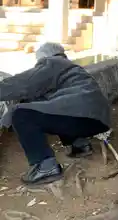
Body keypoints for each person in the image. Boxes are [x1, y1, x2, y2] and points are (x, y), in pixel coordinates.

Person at [0, 42, 111, 185]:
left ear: (44, 56)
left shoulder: (51, 63)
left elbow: (23, 83)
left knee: (21, 114)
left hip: (81, 115)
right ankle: (80, 144)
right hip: (98, 120)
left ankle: (45, 167)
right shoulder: (72, 68)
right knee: (54, 107)